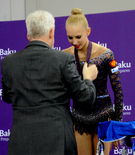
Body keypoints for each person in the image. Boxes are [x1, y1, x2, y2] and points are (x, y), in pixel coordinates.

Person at [1, 10, 98, 155]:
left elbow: (7, 97)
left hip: (20, 143)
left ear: (28, 35)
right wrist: (88, 78)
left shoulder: (8, 62)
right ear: (51, 32)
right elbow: (86, 97)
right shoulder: (63, 60)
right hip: (58, 142)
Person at [63, 8, 124, 155]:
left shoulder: (106, 54)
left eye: (78, 36)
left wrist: (117, 124)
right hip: (79, 117)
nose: (75, 42)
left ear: (88, 31)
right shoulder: (65, 56)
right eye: (70, 38)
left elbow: (118, 92)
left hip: (104, 116)